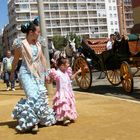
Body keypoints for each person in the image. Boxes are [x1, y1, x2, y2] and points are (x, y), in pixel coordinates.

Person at [10, 17, 56, 133]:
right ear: (31, 32)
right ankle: (32, 122)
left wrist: (46, 73)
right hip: (25, 73)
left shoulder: (38, 44)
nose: (39, 34)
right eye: (38, 32)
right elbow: (15, 60)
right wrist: (12, 73)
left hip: (38, 73)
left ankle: (38, 118)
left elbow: (43, 59)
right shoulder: (20, 44)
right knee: (32, 96)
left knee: (40, 96)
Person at [46, 57, 81, 126]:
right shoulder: (57, 73)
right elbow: (50, 81)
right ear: (62, 65)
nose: (68, 65)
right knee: (63, 104)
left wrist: (77, 72)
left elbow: (71, 78)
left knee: (69, 104)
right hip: (61, 92)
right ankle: (64, 118)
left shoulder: (67, 72)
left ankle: (68, 116)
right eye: (67, 63)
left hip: (68, 92)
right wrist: (48, 79)